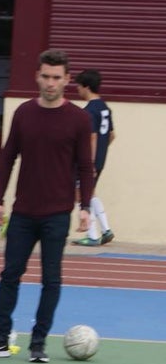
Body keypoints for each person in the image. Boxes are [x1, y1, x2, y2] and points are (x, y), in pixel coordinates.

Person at [0, 50, 94, 363]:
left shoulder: (79, 118)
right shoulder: (23, 113)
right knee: (10, 275)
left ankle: (38, 344)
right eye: (46, 76)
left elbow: (85, 166)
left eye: (56, 78)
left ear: (66, 80)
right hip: (23, 212)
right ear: (38, 76)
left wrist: (86, 206)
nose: (50, 83)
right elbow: (8, 157)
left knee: (51, 279)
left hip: (57, 214)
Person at [71, 69, 116, 246]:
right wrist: (101, 153)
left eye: (79, 86)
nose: (77, 90)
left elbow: (92, 136)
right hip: (101, 159)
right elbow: (112, 135)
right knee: (90, 192)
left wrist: (88, 161)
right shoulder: (105, 108)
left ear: (86, 87)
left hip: (90, 161)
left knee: (81, 194)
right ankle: (106, 230)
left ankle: (93, 234)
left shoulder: (88, 111)